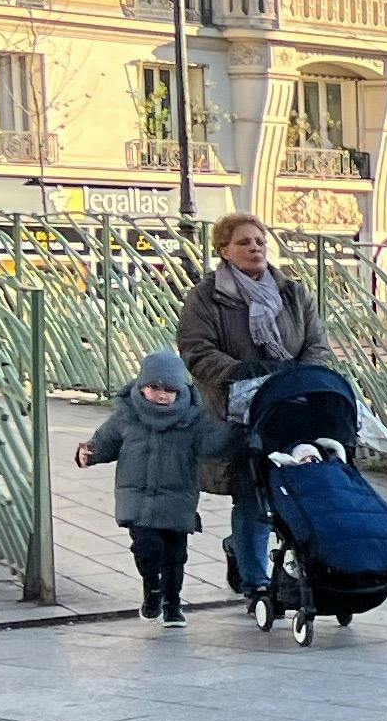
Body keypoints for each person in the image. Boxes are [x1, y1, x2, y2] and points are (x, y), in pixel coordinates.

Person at [175, 213, 335, 606]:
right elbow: (196, 350)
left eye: (260, 241)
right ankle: (255, 581)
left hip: (293, 402)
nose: (255, 248)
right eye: (244, 242)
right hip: (239, 409)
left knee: (298, 485)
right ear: (224, 250)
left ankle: (285, 560)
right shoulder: (206, 297)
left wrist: (302, 376)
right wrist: (241, 371)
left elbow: (317, 342)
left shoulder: (293, 293)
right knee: (252, 493)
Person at [75, 348, 227, 625]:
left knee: (175, 556)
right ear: (141, 385)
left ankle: (172, 605)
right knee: (146, 548)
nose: (161, 394)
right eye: (154, 387)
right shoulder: (127, 415)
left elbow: (213, 444)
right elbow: (106, 442)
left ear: (181, 390)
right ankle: (152, 589)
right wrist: (90, 453)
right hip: (138, 499)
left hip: (177, 500)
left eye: (169, 389)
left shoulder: (193, 420)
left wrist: (236, 434)